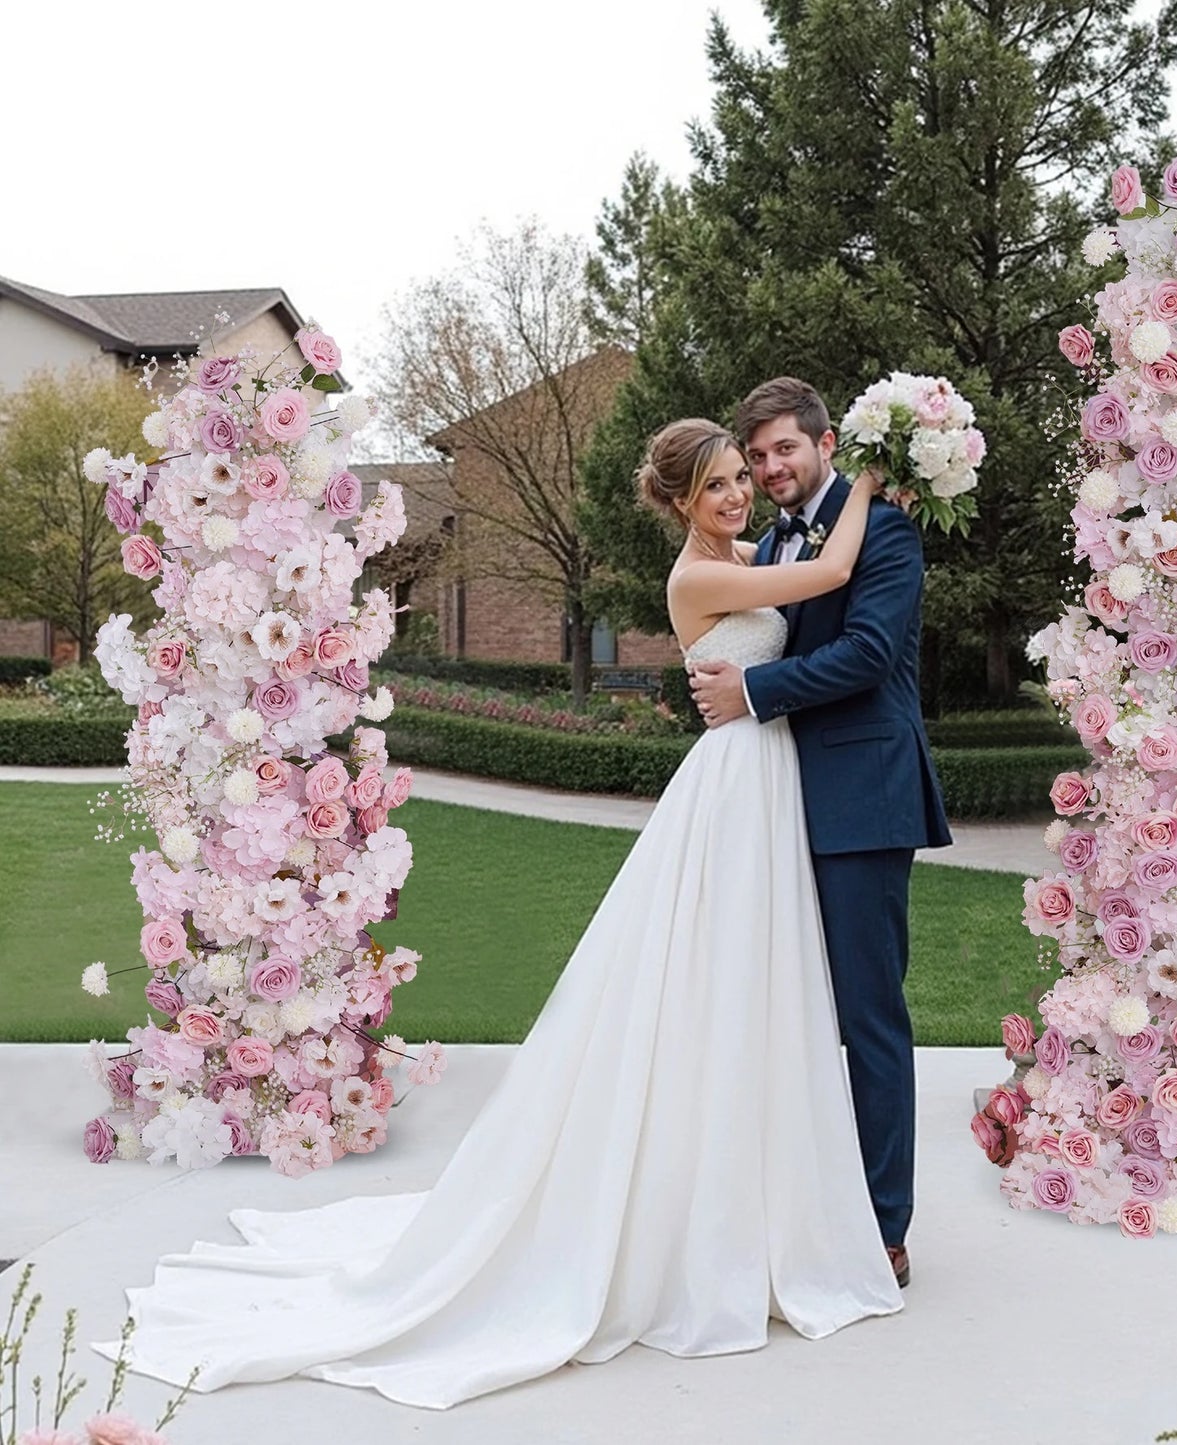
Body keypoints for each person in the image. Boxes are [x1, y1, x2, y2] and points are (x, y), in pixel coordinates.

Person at [96, 418, 901, 1409]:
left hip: (767, 775)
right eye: (719, 485)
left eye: (743, 477)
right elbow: (826, 576)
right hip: (736, 781)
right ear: (679, 502)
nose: (738, 495)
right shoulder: (700, 578)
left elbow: (803, 580)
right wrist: (866, 479)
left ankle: (761, 1199)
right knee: (709, 976)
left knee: (757, 983)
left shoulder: (745, 550)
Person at [690, 378, 951, 1290]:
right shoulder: (778, 543)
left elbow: (870, 654)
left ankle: (883, 1227)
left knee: (865, 1016)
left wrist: (752, 693)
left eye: (781, 451)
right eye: (755, 457)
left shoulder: (884, 528)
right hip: (779, 802)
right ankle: (794, 1206)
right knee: (784, 1012)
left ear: (826, 441)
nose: (767, 470)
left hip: (863, 800)